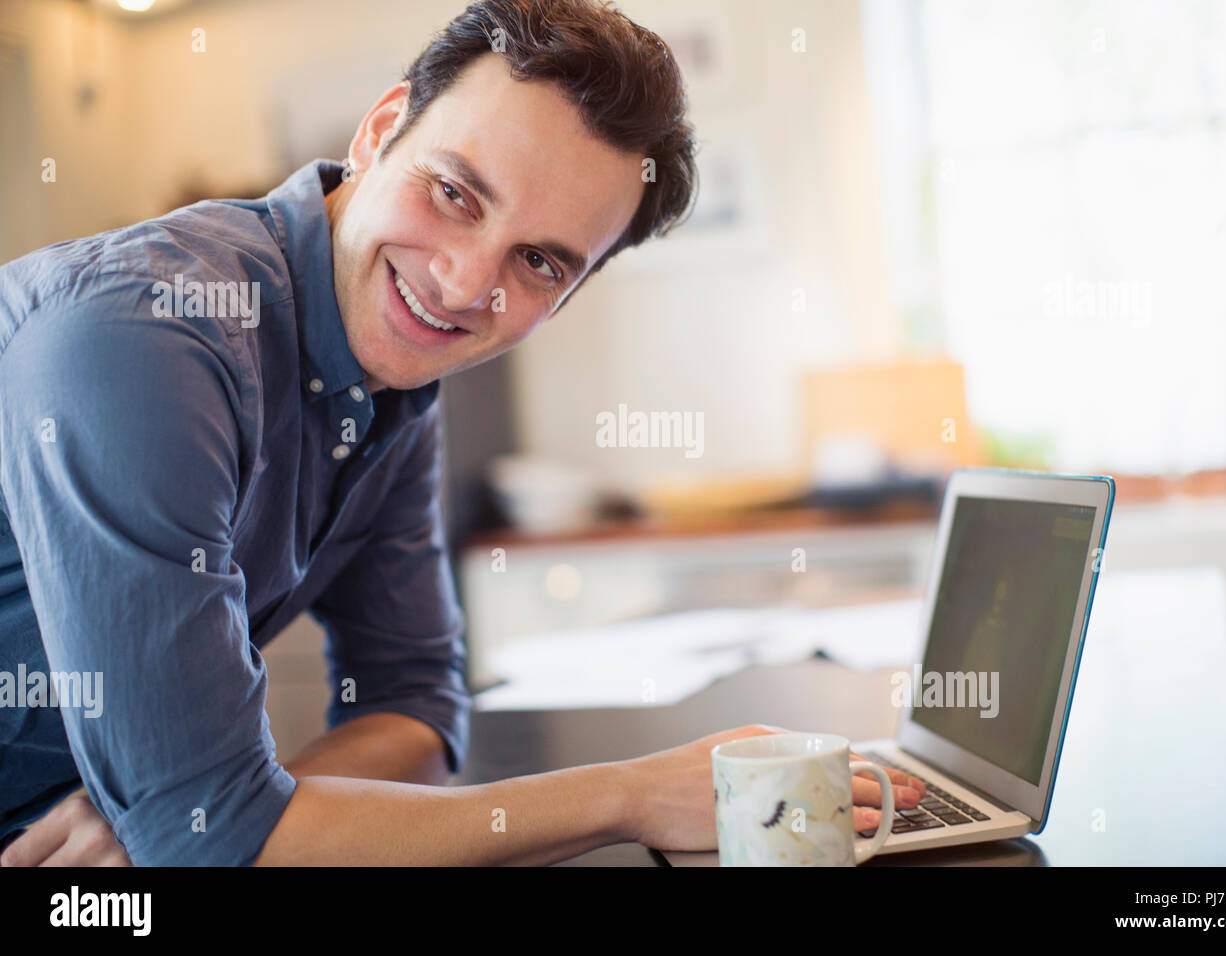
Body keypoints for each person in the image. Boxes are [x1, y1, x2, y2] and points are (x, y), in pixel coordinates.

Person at [0, 0, 922, 866]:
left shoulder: (390, 373)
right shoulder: (143, 336)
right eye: (454, 192)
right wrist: (633, 795)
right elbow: (216, 840)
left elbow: (417, 700)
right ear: (378, 130)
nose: (461, 284)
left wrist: (204, 808)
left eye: (538, 262)